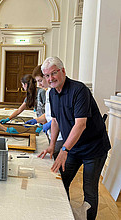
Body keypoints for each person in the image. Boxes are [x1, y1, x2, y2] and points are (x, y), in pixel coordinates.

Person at [38, 57, 111, 220]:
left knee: (89, 190)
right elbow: (55, 121)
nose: (50, 79)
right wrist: (52, 146)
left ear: (63, 71)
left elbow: (80, 124)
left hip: (94, 148)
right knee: (61, 182)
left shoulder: (79, 90)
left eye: (53, 73)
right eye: (47, 76)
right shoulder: (52, 93)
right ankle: (64, 216)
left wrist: (64, 149)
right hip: (74, 147)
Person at [25, 65, 63, 159]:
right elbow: (49, 114)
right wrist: (36, 120)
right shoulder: (48, 92)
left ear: (46, 77)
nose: (39, 85)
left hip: (60, 135)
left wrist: (51, 123)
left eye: (40, 81)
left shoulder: (57, 92)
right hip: (52, 133)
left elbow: (61, 116)